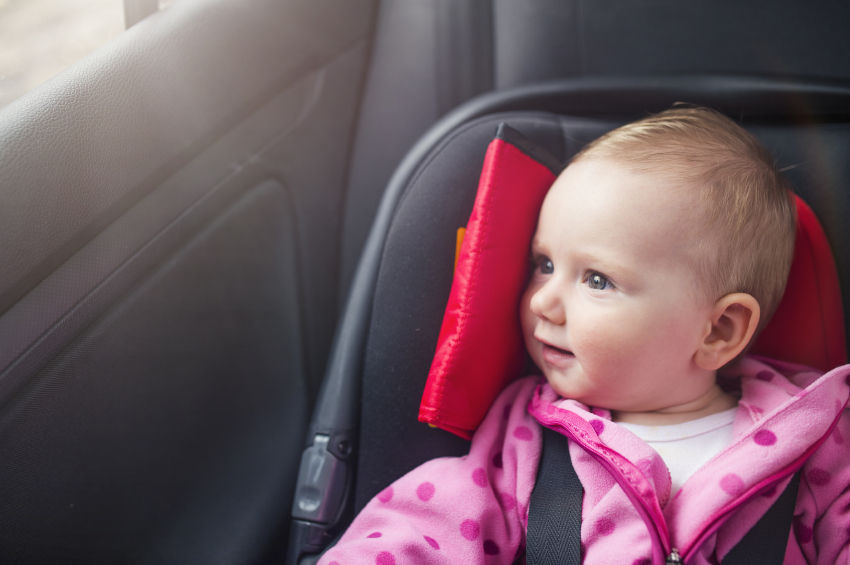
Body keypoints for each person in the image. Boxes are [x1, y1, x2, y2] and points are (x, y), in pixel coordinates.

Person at [317, 108, 850, 565]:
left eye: (596, 279)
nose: (540, 301)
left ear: (719, 330)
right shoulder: (525, 441)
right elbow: (426, 528)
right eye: (543, 263)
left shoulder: (819, 443)